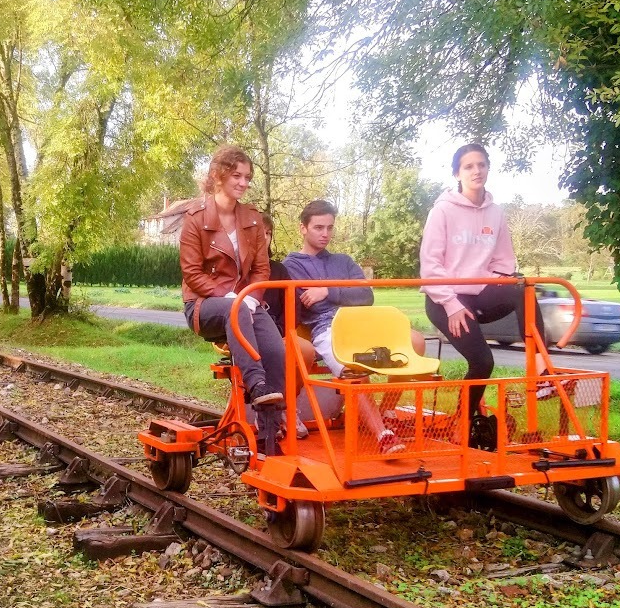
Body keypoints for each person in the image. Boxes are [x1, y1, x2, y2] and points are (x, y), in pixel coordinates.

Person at [284, 199, 427, 453]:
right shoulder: (292, 265)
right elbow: (311, 305)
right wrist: (342, 293)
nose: (325, 234)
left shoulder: (344, 261)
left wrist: (327, 291)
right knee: (354, 368)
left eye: (330, 227)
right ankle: (383, 435)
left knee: (415, 342)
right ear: (303, 228)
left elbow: (365, 296)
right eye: (318, 227)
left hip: (364, 323)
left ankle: (384, 413)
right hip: (329, 328)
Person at [179, 145, 286, 417]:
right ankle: (257, 385)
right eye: (236, 176)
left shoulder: (252, 219)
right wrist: (228, 296)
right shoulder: (195, 219)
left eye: (247, 177)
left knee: (275, 349)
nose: (243, 183)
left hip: (245, 302)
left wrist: (251, 298)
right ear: (218, 175)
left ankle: (273, 426)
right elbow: (192, 273)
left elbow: (261, 269)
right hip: (203, 304)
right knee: (234, 309)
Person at [420, 143, 519, 420]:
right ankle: (461, 425)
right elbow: (430, 266)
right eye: (469, 166)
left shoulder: (496, 212)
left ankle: (542, 368)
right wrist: (451, 304)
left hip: (479, 294)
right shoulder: (442, 210)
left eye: (481, 165)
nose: (476, 171)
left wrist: (500, 283)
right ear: (457, 174)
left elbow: (503, 263)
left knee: (521, 288)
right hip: (444, 299)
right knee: (483, 361)